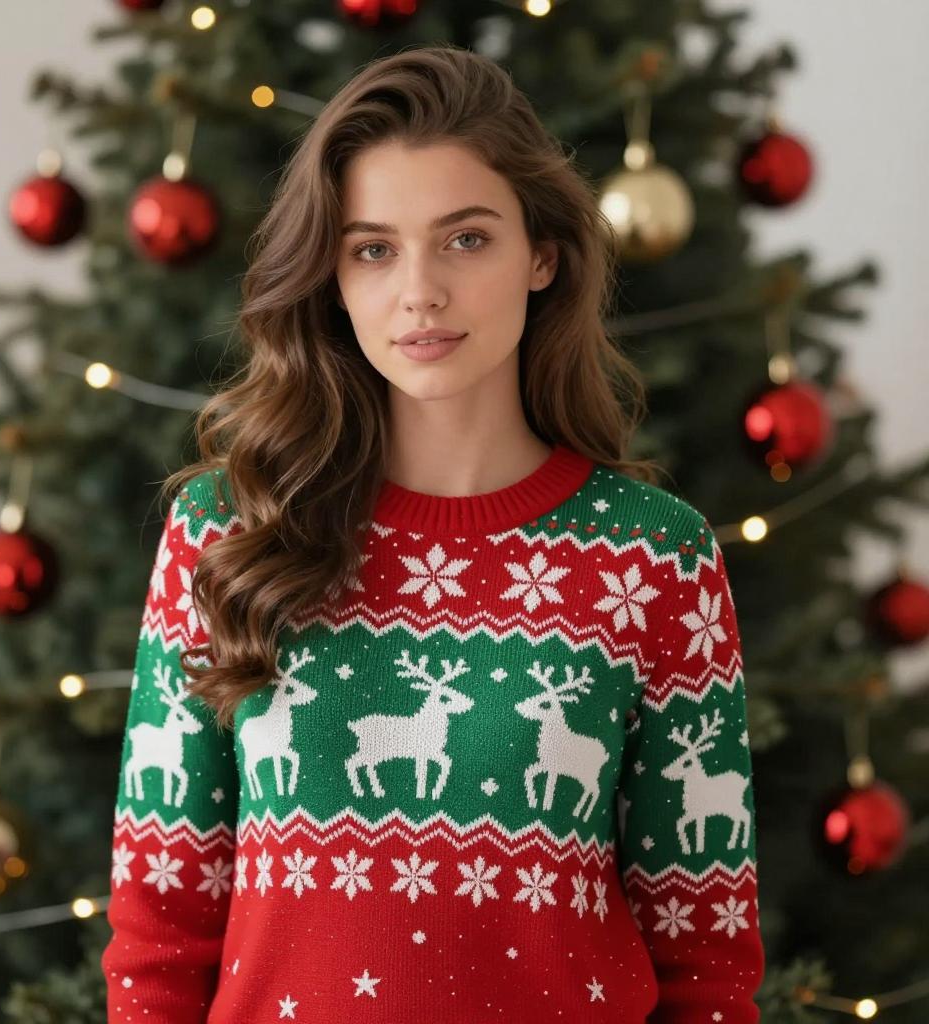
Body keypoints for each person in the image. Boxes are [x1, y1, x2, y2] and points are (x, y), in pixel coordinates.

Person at [102, 43, 765, 1023]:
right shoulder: (226, 533)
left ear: (542, 253)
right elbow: (159, 921)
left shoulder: (653, 560)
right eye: (373, 247)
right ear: (330, 273)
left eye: (465, 239)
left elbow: (705, 957)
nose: (419, 292)